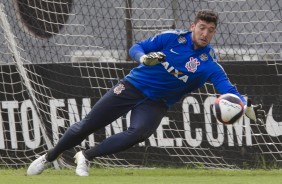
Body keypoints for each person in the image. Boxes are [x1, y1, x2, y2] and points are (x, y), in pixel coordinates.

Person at [27, 9, 265, 176]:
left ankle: (86, 156)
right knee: (87, 125)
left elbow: (228, 92)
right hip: (132, 87)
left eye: (210, 30)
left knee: (139, 132)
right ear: (193, 26)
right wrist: (143, 58)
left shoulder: (209, 63)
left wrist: (245, 106)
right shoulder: (171, 38)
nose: (205, 33)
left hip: (155, 102)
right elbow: (136, 47)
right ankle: (49, 157)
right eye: (202, 28)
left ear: (214, 33)